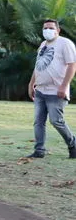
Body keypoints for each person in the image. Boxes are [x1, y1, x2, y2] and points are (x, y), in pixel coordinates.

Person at [27, 19, 76, 159]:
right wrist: (31, 84)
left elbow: (72, 66)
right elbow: (38, 65)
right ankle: (39, 150)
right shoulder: (42, 45)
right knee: (38, 122)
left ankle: (73, 144)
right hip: (41, 90)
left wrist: (64, 85)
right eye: (45, 28)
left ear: (58, 30)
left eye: (50, 28)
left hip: (56, 91)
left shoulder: (65, 44)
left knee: (56, 121)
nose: (47, 30)